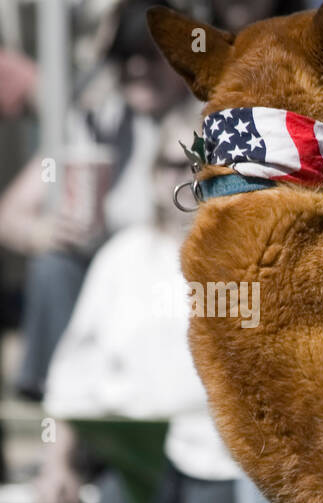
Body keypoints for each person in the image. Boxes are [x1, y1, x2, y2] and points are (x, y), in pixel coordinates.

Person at [39, 107, 243, 503]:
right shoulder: (122, 258)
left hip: (222, 443)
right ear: (154, 176)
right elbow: (73, 374)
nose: (186, 177)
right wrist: (59, 461)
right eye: (173, 164)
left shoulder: (248, 262)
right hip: (134, 437)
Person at [0, 0, 190, 400]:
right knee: (53, 268)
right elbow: (8, 213)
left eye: (150, 57)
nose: (137, 69)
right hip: (106, 285)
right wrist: (38, 231)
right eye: (126, 57)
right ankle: (56, 408)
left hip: (175, 282)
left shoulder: (205, 120)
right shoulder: (94, 125)